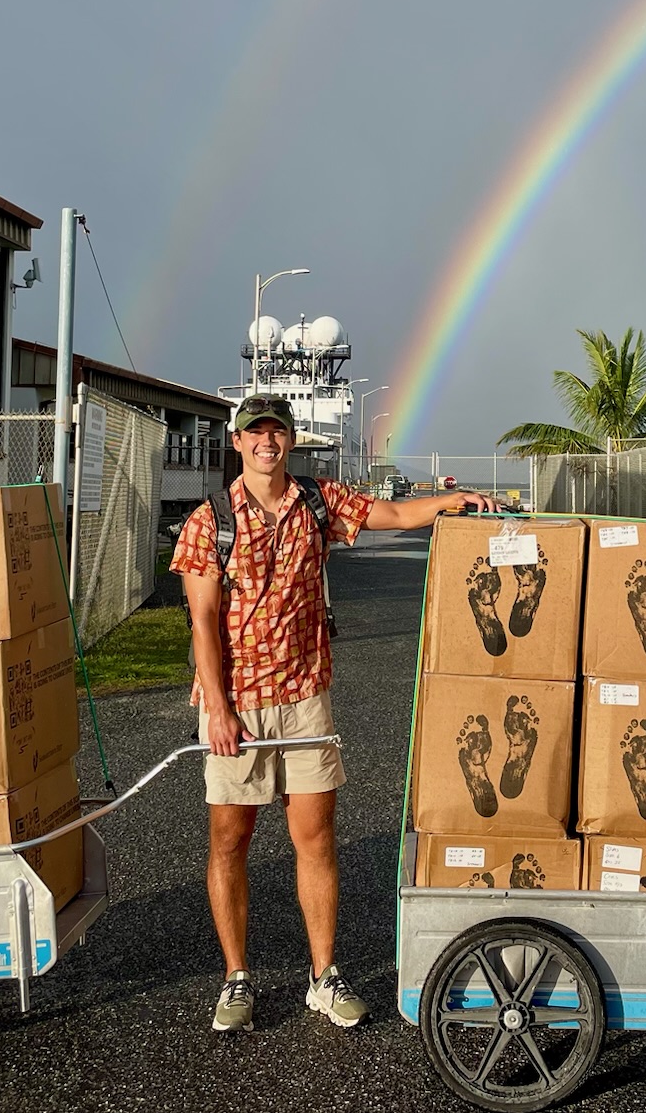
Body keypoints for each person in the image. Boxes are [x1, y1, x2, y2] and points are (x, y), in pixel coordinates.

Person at [172, 395, 497, 1034]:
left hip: (305, 697)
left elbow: (398, 514)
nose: (267, 441)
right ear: (236, 443)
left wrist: (452, 504)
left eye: (277, 431)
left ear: (290, 440)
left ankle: (324, 976)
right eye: (255, 432)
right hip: (237, 702)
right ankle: (237, 978)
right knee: (230, 840)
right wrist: (216, 706)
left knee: (315, 839)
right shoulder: (208, 522)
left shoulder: (318, 502)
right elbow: (203, 620)